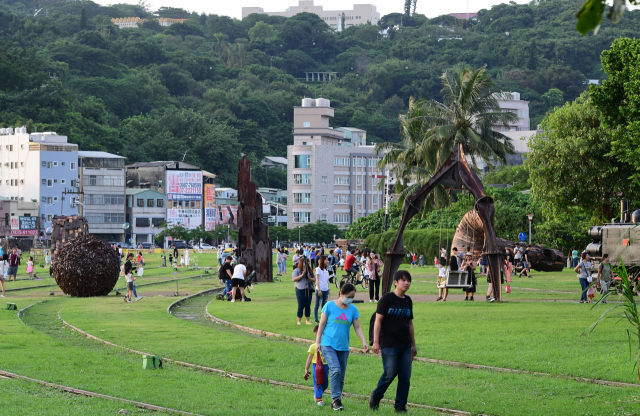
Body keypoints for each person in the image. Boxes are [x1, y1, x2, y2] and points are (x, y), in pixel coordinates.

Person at [315, 283, 369, 411]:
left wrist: (364, 341)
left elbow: (357, 327)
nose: (350, 299)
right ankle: (335, 400)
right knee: (336, 369)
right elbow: (321, 325)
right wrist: (318, 342)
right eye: (348, 296)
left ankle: (337, 398)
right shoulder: (329, 306)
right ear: (340, 294)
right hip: (328, 344)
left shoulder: (353, 309)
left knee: (341, 375)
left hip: (343, 347)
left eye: (353, 297)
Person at [370, 270, 416, 413]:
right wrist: (376, 342)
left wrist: (413, 345)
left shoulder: (408, 300)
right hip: (389, 343)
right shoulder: (387, 299)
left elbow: (410, 324)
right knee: (390, 372)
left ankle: (400, 406)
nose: (406, 282)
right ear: (395, 282)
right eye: (403, 280)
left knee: (405, 377)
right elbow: (378, 320)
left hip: (405, 344)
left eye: (408, 280)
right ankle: (376, 395)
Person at [304, 325, 329, 406]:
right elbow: (309, 358)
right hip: (317, 367)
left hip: (325, 366)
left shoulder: (327, 346)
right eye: (319, 332)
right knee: (318, 382)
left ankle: (317, 394)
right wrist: (306, 369)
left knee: (325, 383)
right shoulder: (313, 346)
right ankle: (319, 399)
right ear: (315, 334)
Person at [293, 258, 315, 324]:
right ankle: (299, 321)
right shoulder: (297, 270)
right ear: (301, 263)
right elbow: (294, 279)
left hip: (308, 289)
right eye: (304, 262)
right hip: (300, 289)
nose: (305, 264)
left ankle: (307, 320)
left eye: (306, 262)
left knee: (308, 305)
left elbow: (314, 279)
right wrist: (302, 275)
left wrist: (309, 278)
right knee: (301, 305)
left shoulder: (310, 271)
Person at [314, 256, 330, 324]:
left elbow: (327, 280)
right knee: (317, 304)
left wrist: (329, 289)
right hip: (320, 289)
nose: (327, 261)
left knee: (324, 305)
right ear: (322, 261)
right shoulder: (318, 269)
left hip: (326, 289)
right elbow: (317, 279)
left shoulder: (326, 270)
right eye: (326, 260)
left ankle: (323, 318)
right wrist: (319, 289)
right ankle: (316, 319)